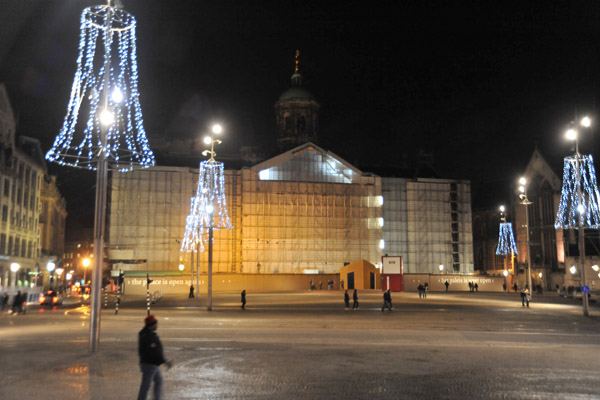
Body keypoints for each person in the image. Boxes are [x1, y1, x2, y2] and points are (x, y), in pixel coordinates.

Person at [137, 314, 172, 400]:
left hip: (153, 364)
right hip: (150, 364)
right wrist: (165, 362)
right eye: (155, 323)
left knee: (159, 381)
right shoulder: (149, 337)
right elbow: (155, 353)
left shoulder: (145, 334)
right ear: (151, 325)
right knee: (146, 385)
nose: (157, 325)